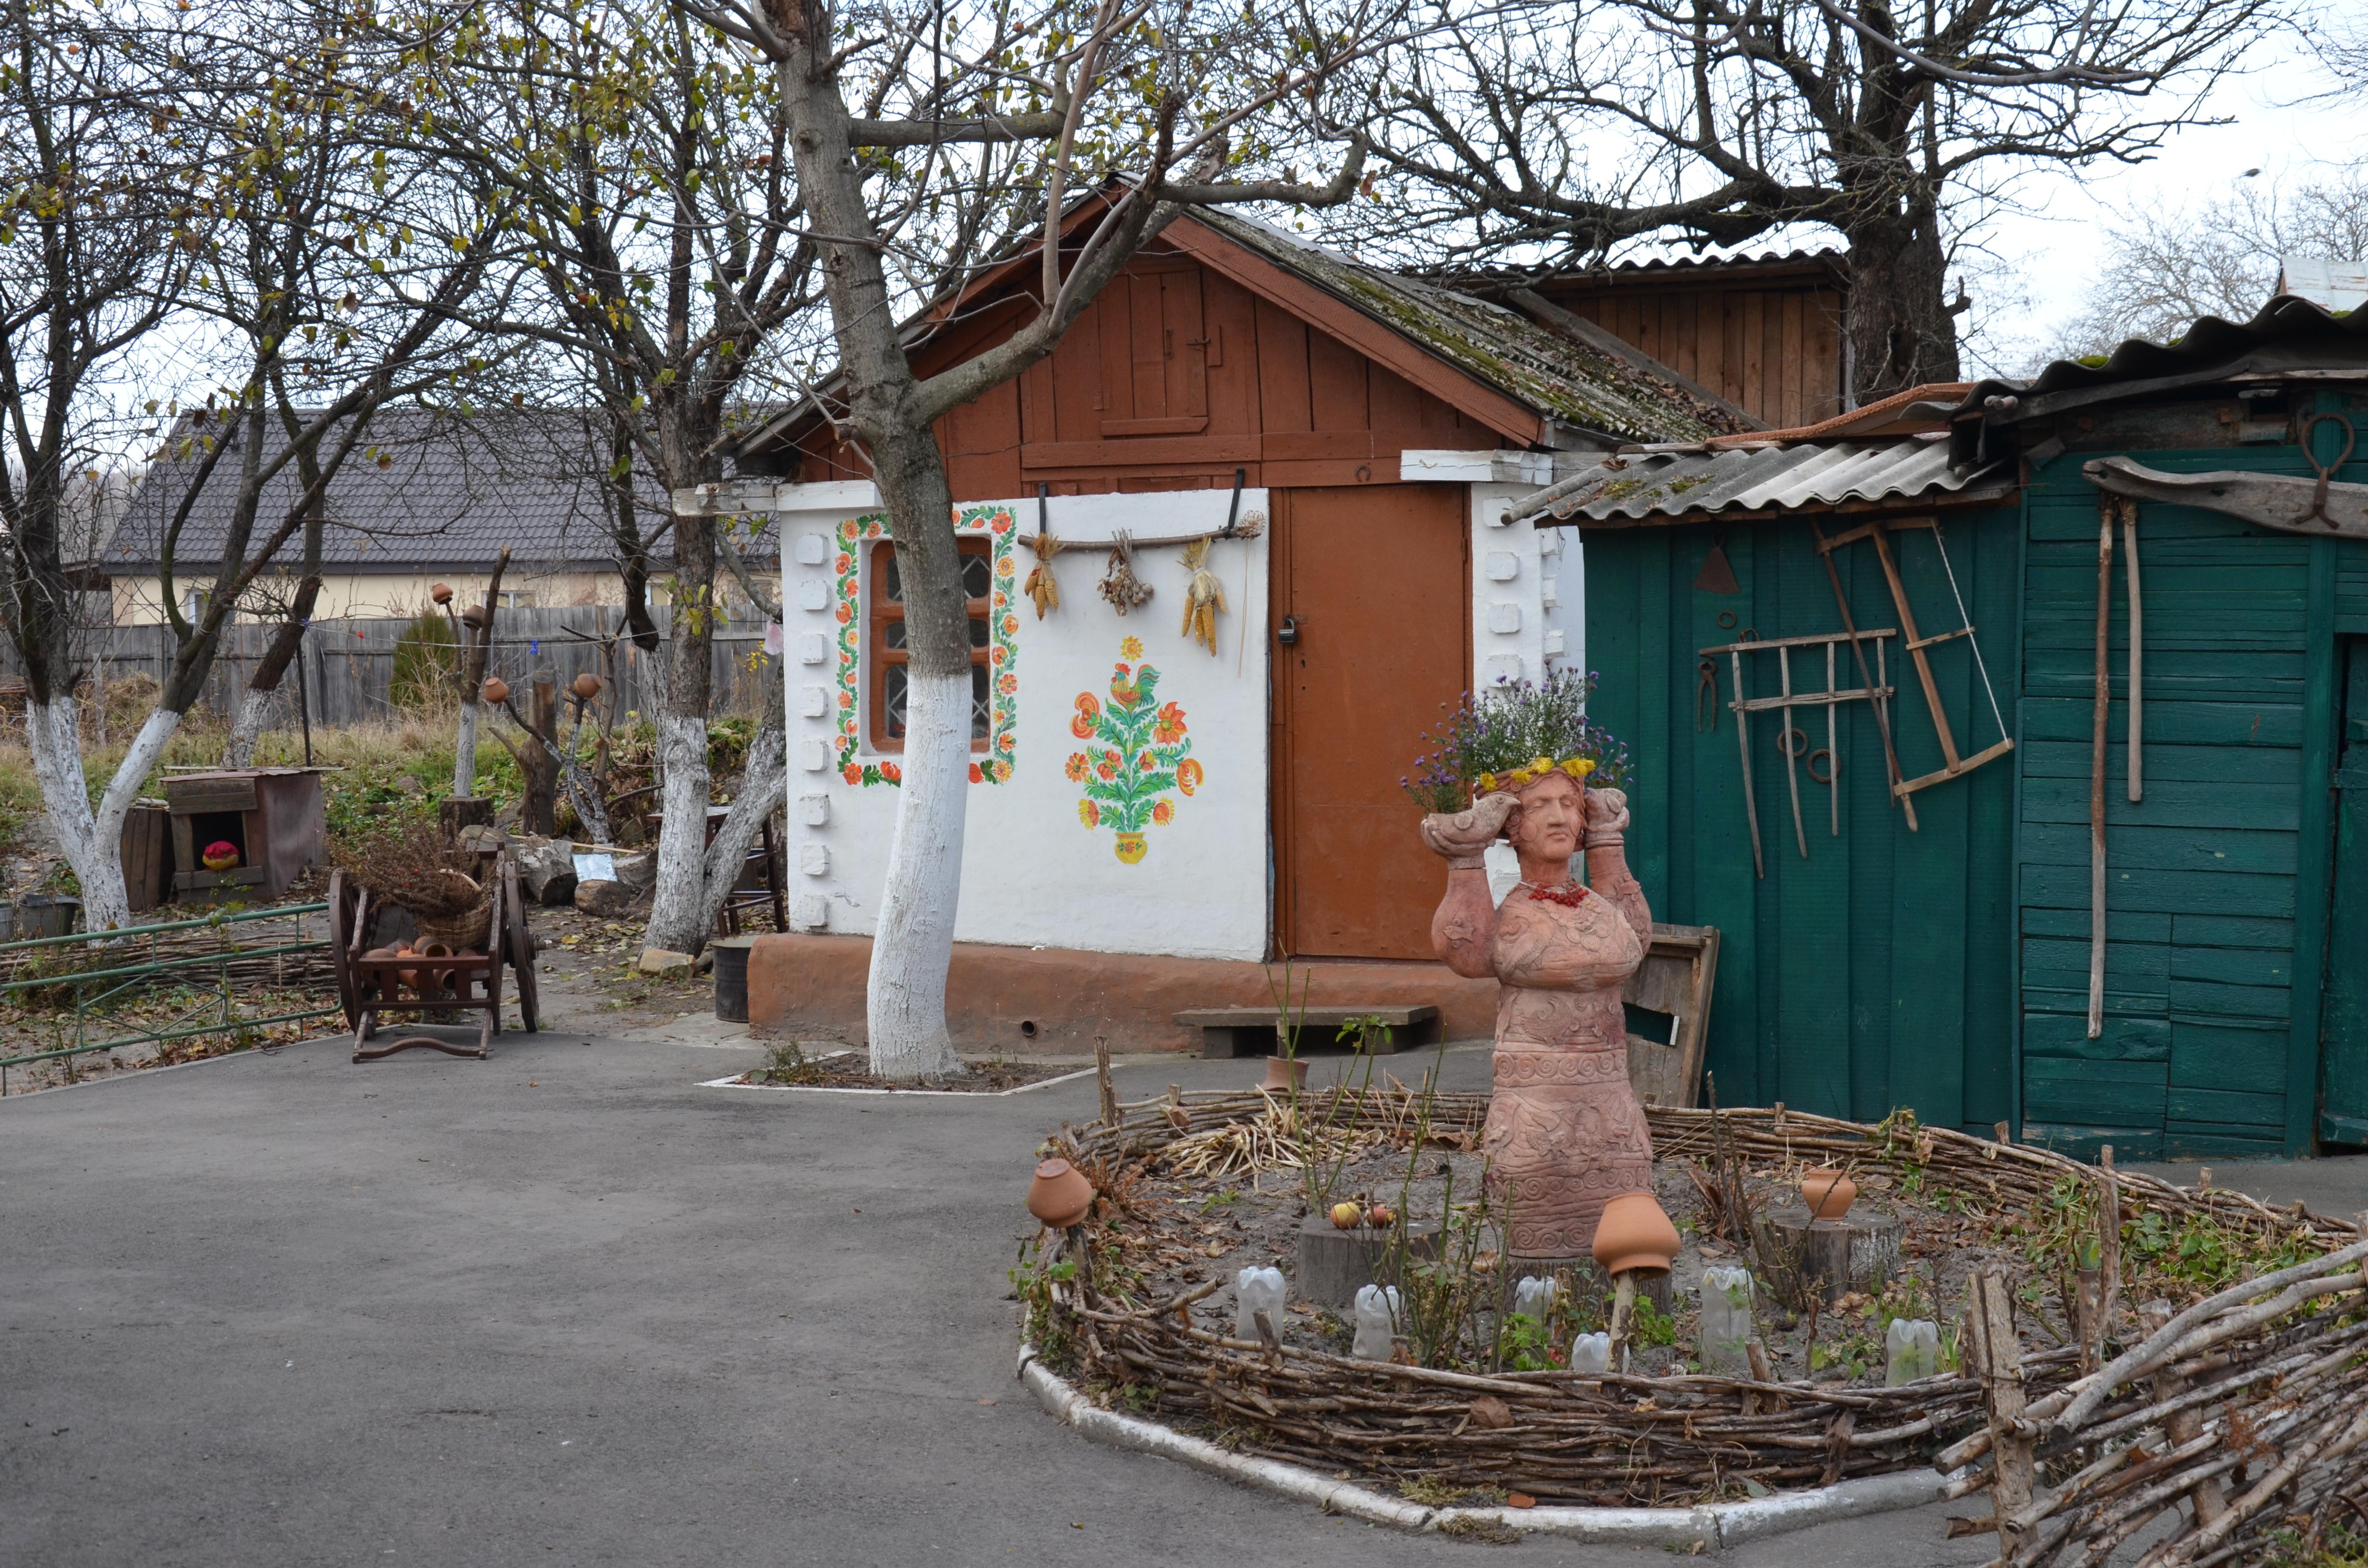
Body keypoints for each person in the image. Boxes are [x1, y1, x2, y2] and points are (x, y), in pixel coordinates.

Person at [1420, 760, 1653, 1262]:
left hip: (1611, 1110)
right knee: (1535, 1256)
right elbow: (1466, 952)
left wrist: (1607, 841)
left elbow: (1635, 939)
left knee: (1625, 1237)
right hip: (1534, 1114)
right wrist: (1466, 854)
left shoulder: (1596, 905)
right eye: (1540, 806)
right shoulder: (1515, 910)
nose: (1559, 817)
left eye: (1569, 804)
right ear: (1512, 826)